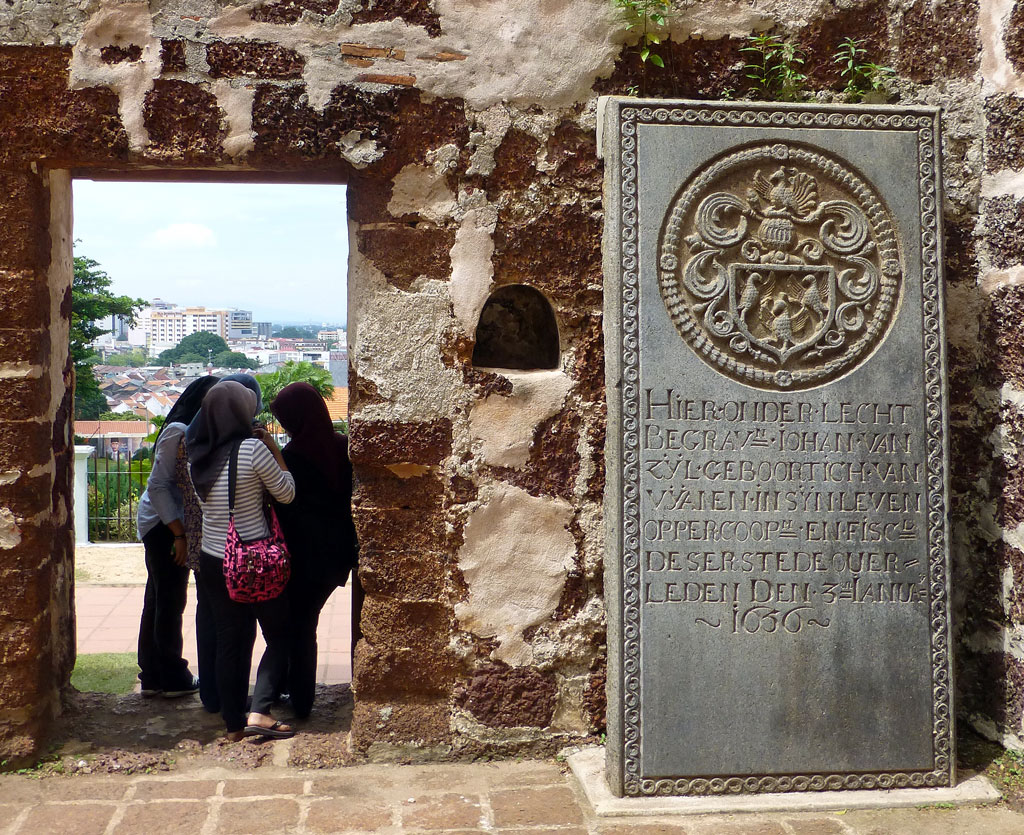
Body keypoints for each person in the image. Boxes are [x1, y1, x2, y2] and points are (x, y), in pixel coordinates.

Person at [187, 381, 297, 741]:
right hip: (253, 558)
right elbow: (287, 493)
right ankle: (260, 710)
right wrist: (274, 449)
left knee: (230, 641)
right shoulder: (252, 449)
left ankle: (233, 724)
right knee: (280, 634)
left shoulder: (197, 456)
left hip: (214, 558)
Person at [269, 382, 358, 719]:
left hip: (302, 557)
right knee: (304, 622)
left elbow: (285, 506)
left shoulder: (292, 457)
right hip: (335, 554)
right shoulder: (342, 447)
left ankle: (300, 698)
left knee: (298, 626)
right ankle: (291, 690)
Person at [135, 375, 219, 698]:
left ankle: (153, 674)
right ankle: (172, 676)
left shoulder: (190, 430)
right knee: (171, 599)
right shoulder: (179, 431)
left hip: (167, 521)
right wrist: (179, 535)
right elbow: (157, 485)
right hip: (164, 523)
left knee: (158, 598)